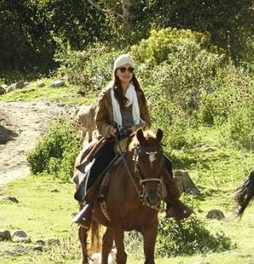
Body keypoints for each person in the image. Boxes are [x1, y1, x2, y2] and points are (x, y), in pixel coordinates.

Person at [72, 54, 192, 223]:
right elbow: (99, 122)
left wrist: (138, 127)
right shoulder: (106, 94)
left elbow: (147, 120)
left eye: (130, 69)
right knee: (97, 165)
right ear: (116, 72)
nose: (126, 73)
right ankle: (88, 205)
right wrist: (110, 129)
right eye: (122, 69)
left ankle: (173, 203)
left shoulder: (138, 93)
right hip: (114, 139)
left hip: (137, 139)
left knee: (166, 162)